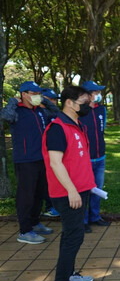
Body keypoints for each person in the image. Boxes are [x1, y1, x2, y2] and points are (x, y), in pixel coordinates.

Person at [42, 85, 96, 281]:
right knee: (73, 237)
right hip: (68, 194)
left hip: (80, 190)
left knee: (72, 236)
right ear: (70, 103)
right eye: (84, 101)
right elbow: (55, 163)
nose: (89, 105)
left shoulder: (76, 125)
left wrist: (86, 186)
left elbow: (75, 161)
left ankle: (69, 273)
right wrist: (72, 190)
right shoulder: (57, 128)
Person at [0, 81, 59, 244]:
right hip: (25, 160)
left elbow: (56, 114)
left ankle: (35, 222)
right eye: (34, 94)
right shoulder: (16, 111)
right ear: (24, 94)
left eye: (38, 94)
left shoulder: (39, 111)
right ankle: (25, 231)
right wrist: (12, 101)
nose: (37, 97)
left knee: (39, 193)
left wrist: (45, 101)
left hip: (41, 158)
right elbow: (5, 116)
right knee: (26, 196)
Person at [79, 81, 109, 233]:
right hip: (85, 159)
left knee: (97, 189)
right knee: (84, 190)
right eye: (96, 92)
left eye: (99, 92)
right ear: (88, 95)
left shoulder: (101, 110)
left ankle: (95, 216)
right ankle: (83, 220)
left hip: (100, 157)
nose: (98, 95)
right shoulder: (79, 112)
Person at [41, 88, 61, 217]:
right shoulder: (40, 113)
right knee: (45, 181)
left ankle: (54, 205)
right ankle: (49, 207)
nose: (53, 102)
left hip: (55, 150)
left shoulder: (55, 113)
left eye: (54, 99)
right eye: (50, 99)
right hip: (41, 151)